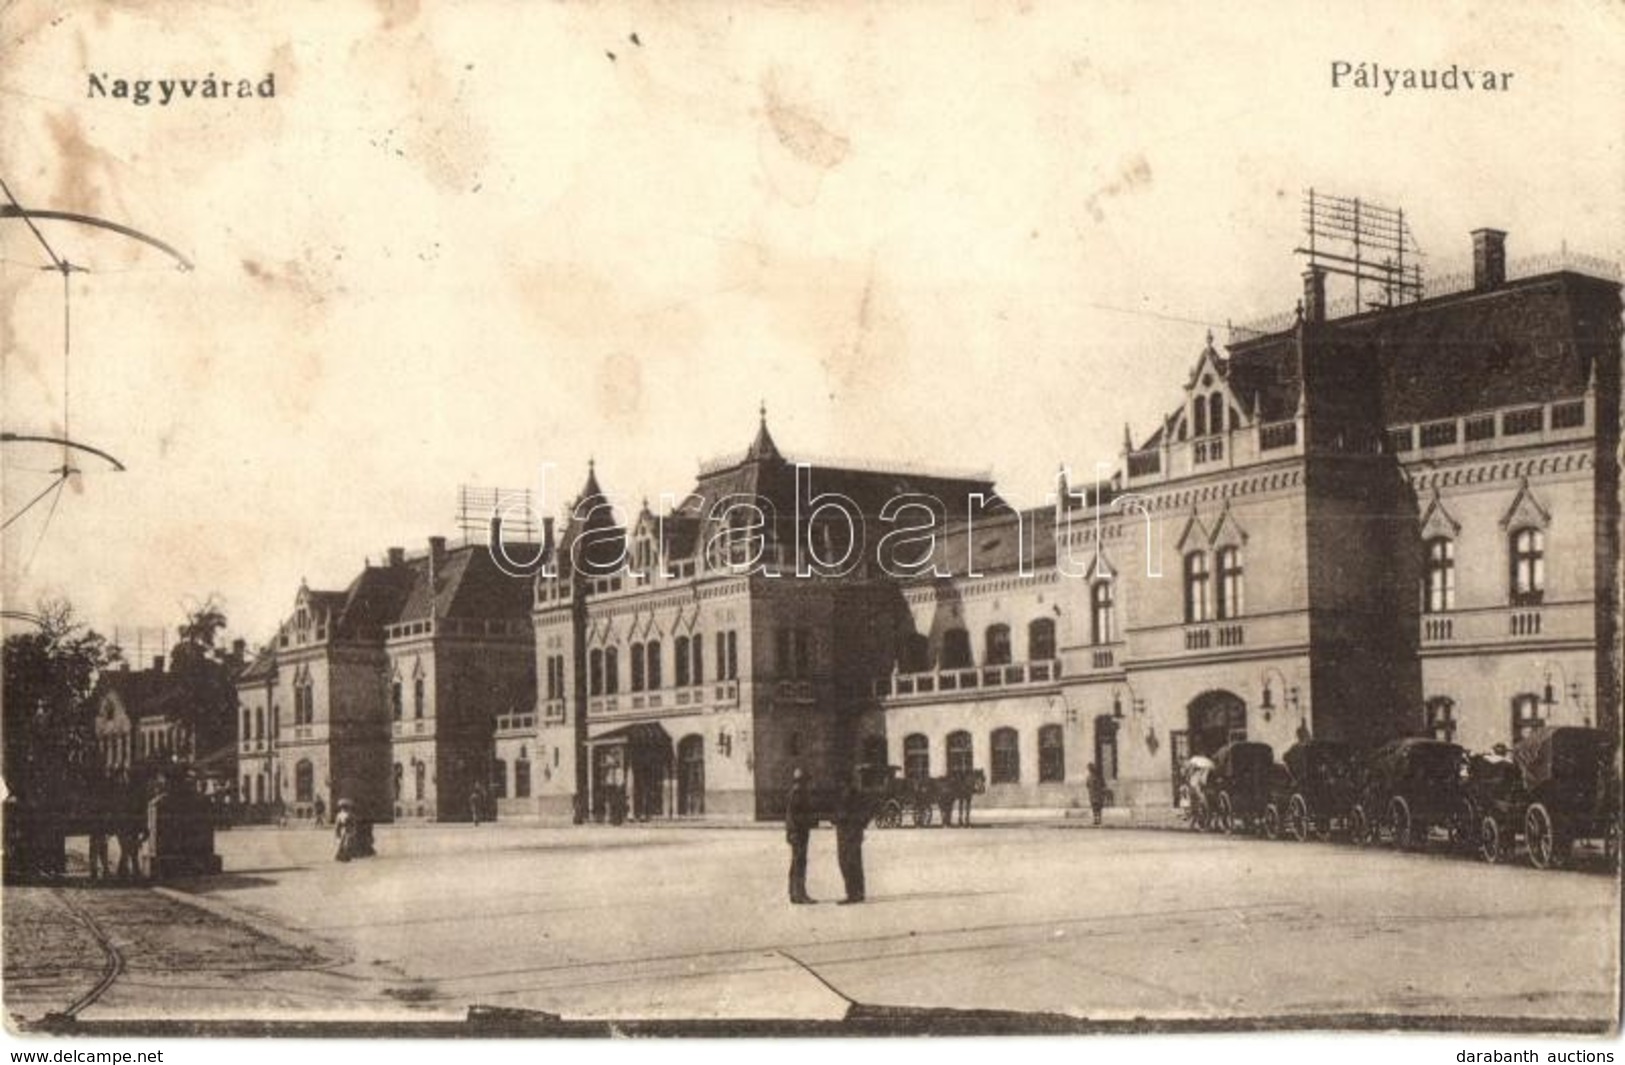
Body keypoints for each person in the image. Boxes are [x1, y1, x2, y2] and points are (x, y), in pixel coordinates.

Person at [834, 774, 868, 904]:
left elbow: (844, 814)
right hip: (850, 833)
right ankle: (858, 892)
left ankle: (853, 893)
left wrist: (838, 819)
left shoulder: (849, 794)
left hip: (848, 834)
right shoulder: (852, 793)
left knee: (848, 862)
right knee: (854, 862)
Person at [784, 767, 814, 904]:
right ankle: (800, 894)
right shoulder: (798, 794)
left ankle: (793, 893)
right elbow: (794, 817)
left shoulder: (794, 793)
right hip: (799, 833)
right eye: (806, 781)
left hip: (796, 833)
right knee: (799, 863)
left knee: (796, 862)